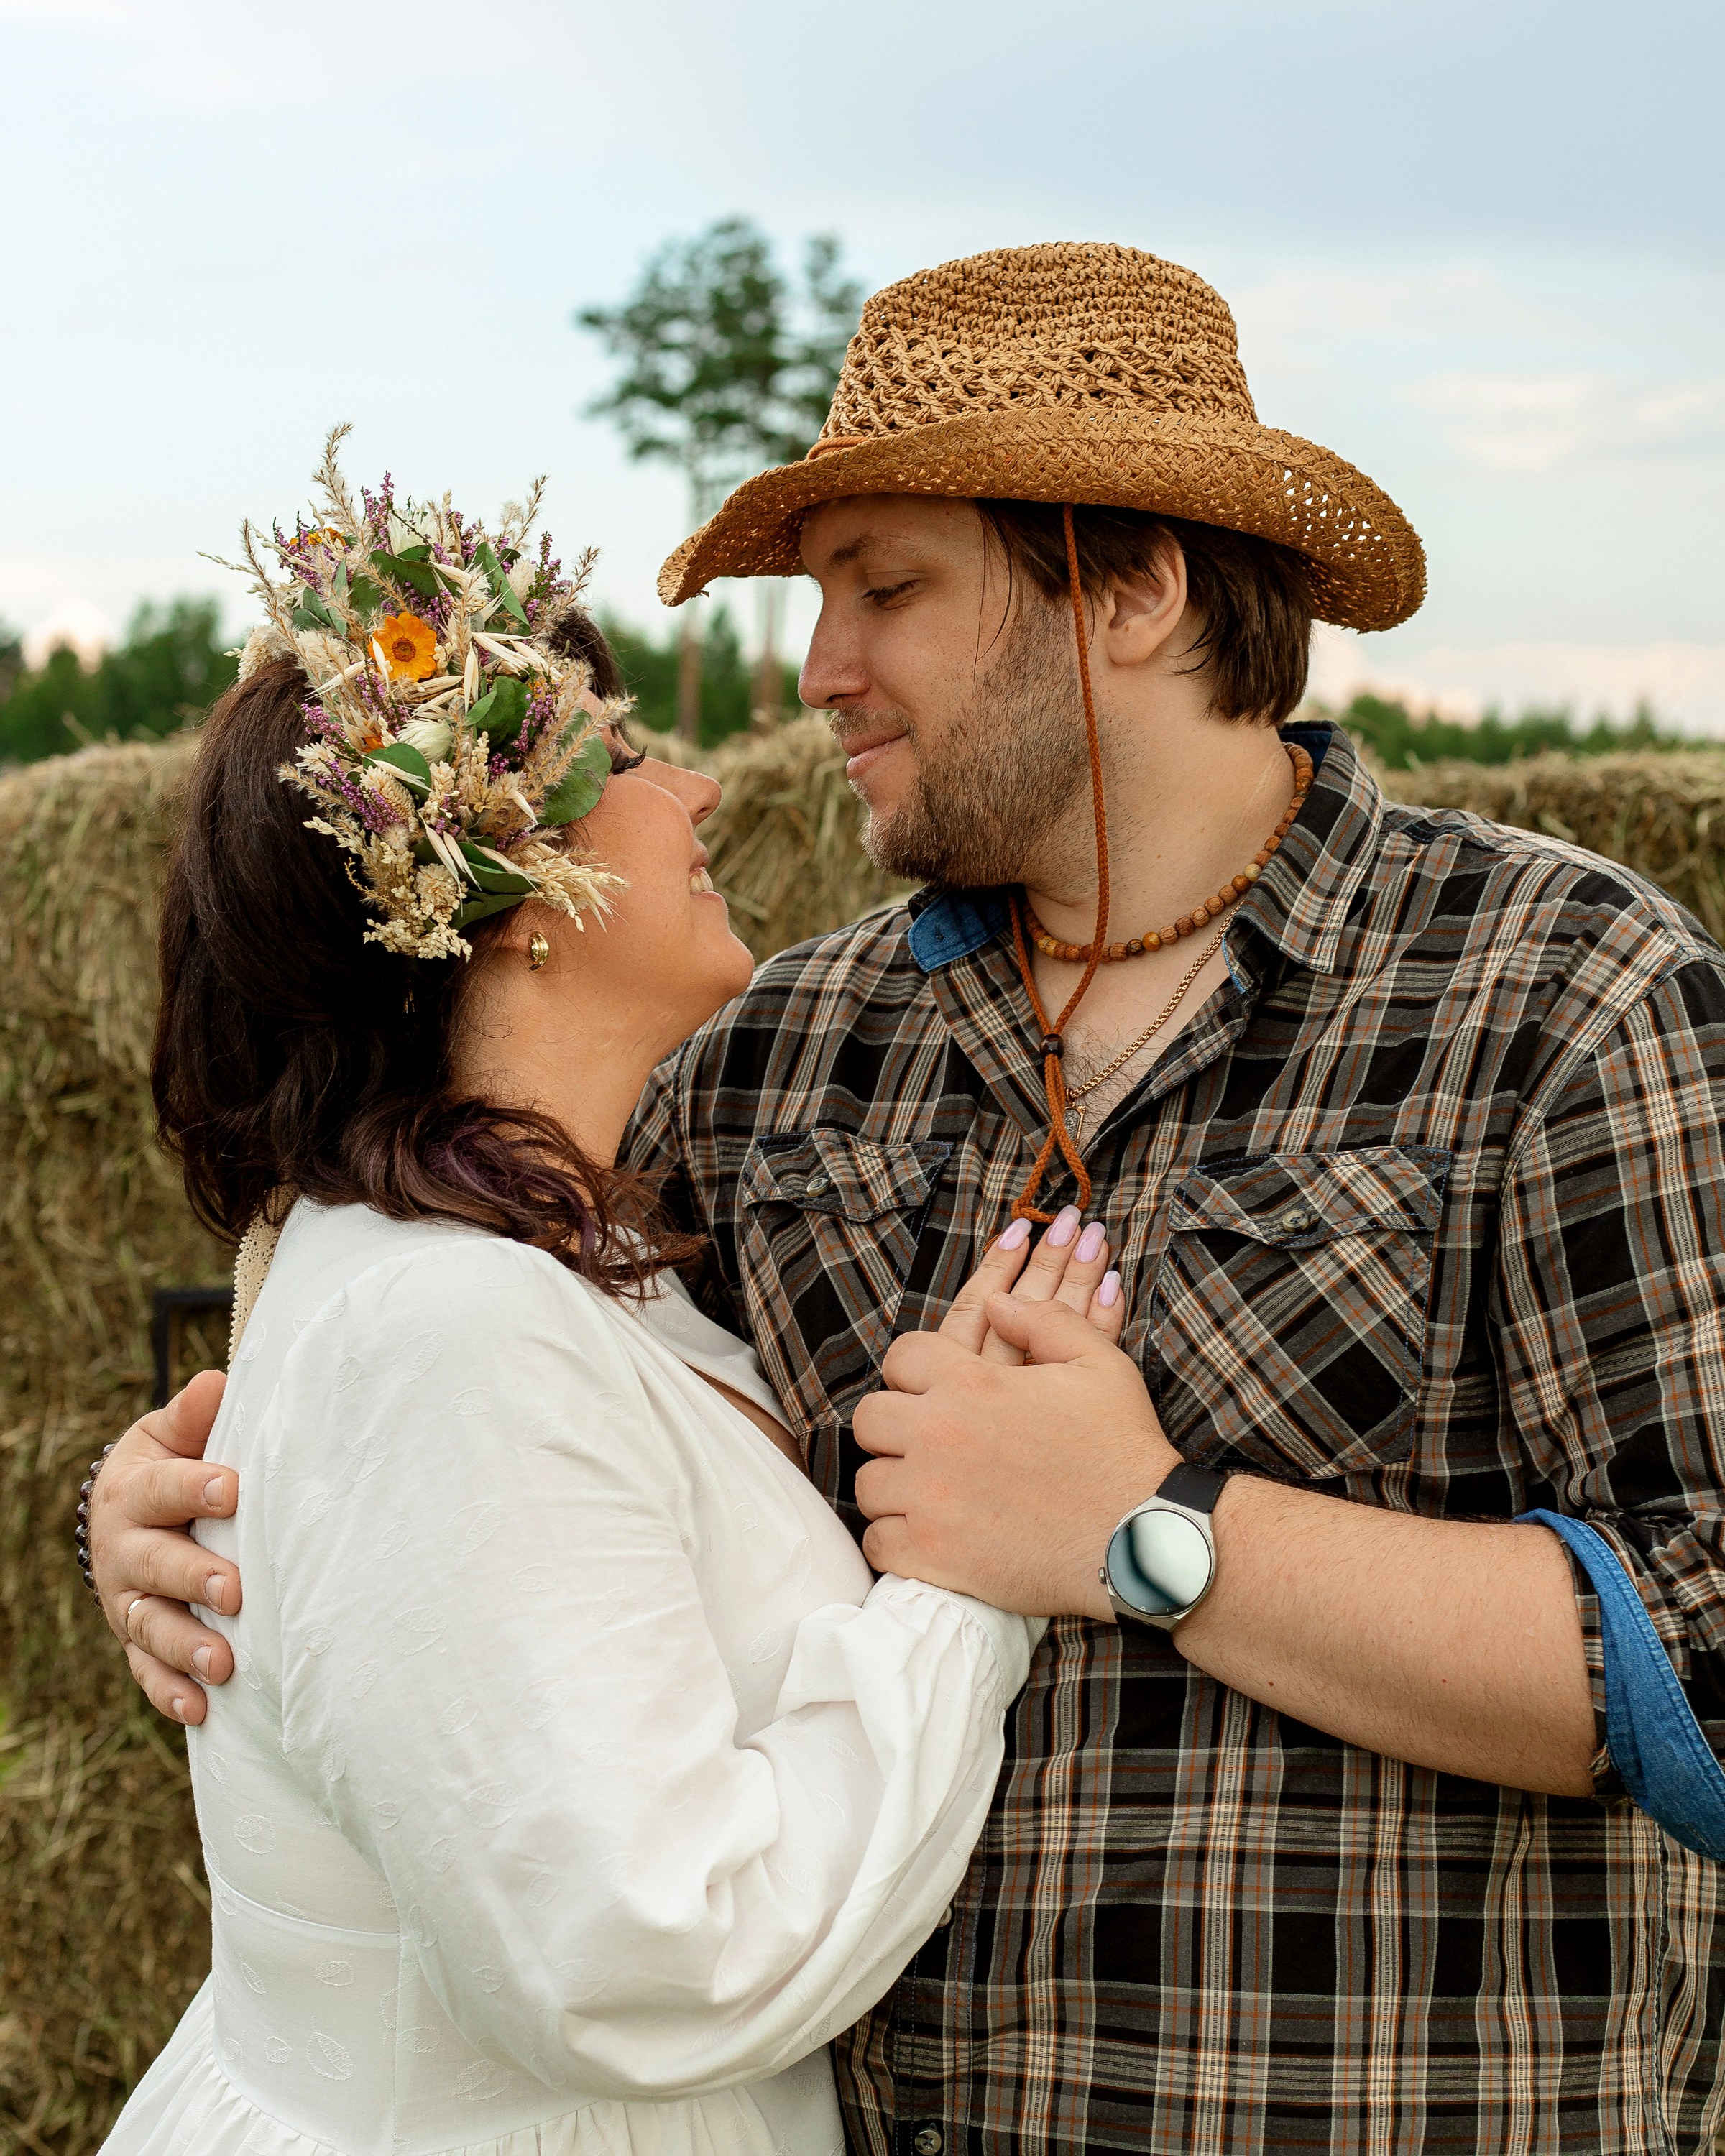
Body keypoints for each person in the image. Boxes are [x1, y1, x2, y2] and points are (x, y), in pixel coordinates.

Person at [94, 244, 1725, 2154]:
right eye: (817, 597)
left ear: (1131, 587)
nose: (819, 672)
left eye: (888, 588)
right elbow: (512, 1442)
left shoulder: (1565, 996)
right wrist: (202, 1514)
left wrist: (1149, 1529)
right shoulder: (777, 1059)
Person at [92, 443, 1128, 2156]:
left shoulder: (557, 1256)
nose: (702, 790)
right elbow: (644, 1960)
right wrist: (968, 1582)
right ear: (518, 898)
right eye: (632, 762)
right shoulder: (451, 1331)